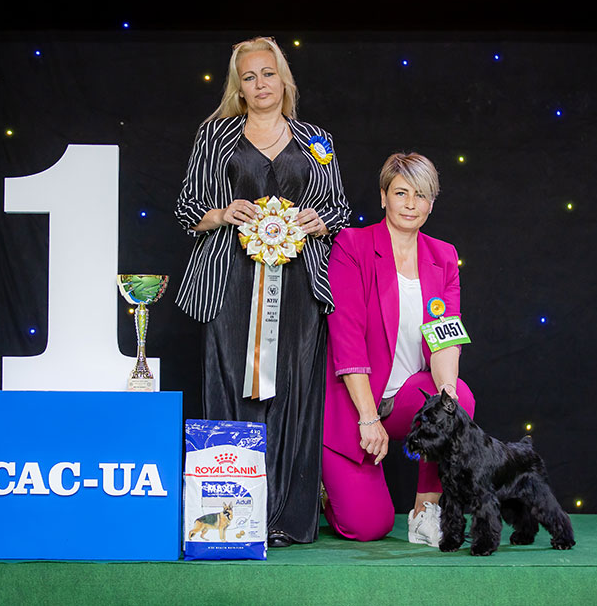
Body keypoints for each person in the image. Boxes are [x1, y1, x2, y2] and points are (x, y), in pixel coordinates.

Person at [175, 37, 350, 547]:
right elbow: (187, 209)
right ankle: (233, 519)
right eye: (249, 77)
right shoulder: (216, 135)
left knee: (294, 393)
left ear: (283, 79)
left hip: (300, 285)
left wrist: (319, 221)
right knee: (234, 388)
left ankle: (285, 519)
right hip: (230, 281)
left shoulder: (317, 140)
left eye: (268, 73)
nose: (260, 84)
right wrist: (222, 213)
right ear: (239, 87)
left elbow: (340, 209)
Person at [321, 152, 476, 545]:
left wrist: (447, 397)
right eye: (401, 193)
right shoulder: (352, 244)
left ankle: (426, 512)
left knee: (458, 399)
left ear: (431, 203)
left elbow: (446, 338)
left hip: (408, 399)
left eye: (420, 195)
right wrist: (367, 418)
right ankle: (325, 492)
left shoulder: (443, 256)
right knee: (368, 526)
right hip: (355, 405)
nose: (410, 204)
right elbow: (347, 338)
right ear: (383, 196)